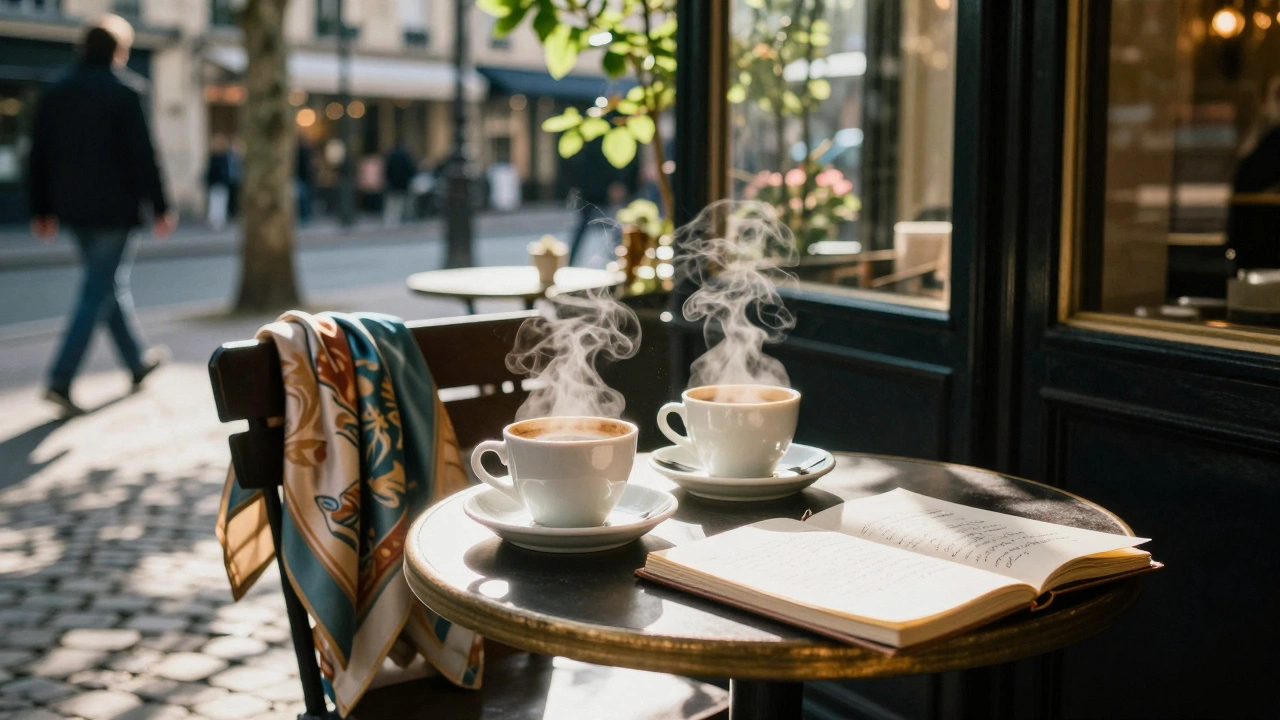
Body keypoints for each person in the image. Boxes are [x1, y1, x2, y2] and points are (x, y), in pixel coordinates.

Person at [26, 14, 174, 417]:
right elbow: (144, 156)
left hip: (72, 210)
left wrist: (40, 209)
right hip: (115, 210)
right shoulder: (125, 92)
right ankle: (60, 379)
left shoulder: (56, 91)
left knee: (108, 285)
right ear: (119, 51)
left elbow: (38, 154)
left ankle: (136, 361)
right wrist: (161, 207)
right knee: (98, 289)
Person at [384, 143, 416, 227]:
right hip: (404, 183)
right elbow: (411, 170)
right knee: (405, 203)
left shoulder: (391, 156)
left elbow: (387, 170)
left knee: (393, 203)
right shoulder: (406, 157)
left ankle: (391, 221)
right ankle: (405, 220)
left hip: (393, 184)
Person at [205, 135, 233, 230]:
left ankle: (218, 220)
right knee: (216, 202)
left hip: (220, 183)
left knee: (219, 202)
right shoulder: (217, 158)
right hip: (218, 182)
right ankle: (215, 220)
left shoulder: (222, 158)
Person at [295, 137, 315, 225]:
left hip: (302, 178)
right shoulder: (303, 152)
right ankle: (305, 216)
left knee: (303, 197)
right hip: (303, 178)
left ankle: (305, 216)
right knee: (303, 197)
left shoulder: (301, 152)